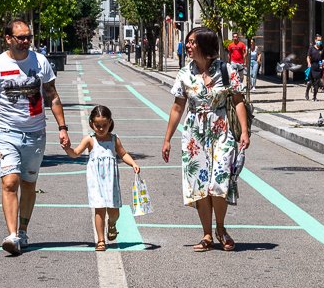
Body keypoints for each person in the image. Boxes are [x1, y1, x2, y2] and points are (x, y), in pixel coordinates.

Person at [0, 19, 70, 255]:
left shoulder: (40, 62)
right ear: (8, 39)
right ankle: (12, 235)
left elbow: (52, 96)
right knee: (10, 182)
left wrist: (62, 127)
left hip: (35, 133)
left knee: (28, 183)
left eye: (28, 37)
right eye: (21, 37)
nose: (25, 42)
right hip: (6, 132)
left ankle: (23, 230)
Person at [161, 27, 251, 252]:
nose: (188, 46)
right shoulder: (184, 74)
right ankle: (207, 234)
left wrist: (245, 131)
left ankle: (221, 229)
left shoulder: (226, 70)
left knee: (219, 182)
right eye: (188, 42)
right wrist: (167, 139)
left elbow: (238, 101)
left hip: (221, 131)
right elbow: (176, 108)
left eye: (192, 42)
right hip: (194, 135)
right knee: (200, 184)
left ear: (204, 45)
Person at [64, 105, 140, 252]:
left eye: (104, 125)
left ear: (110, 123)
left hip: (111, 182)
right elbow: (76, 153)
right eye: (97, 125)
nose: (100, 128)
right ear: (92, 123)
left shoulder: (114, 139)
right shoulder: (90, 140)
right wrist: (68, 148)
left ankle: (111, 224)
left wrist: (133, 164)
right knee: (99, 209)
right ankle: (100, 240)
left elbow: (123, 154)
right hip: (95, 181)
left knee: (114, 212)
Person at [305, 33, 324, 100]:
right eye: (318, 40)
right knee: (310, 82)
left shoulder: (322, 49)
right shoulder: (311, 48)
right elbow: (308, 56)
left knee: (317, 83)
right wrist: (309, 63)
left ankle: (314, 96)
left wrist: (323, 63)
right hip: (312, 66)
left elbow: (323, 58)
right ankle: (307, 92)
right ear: (315, 40)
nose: (319, 42)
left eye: (320, 40)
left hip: (319, 67)